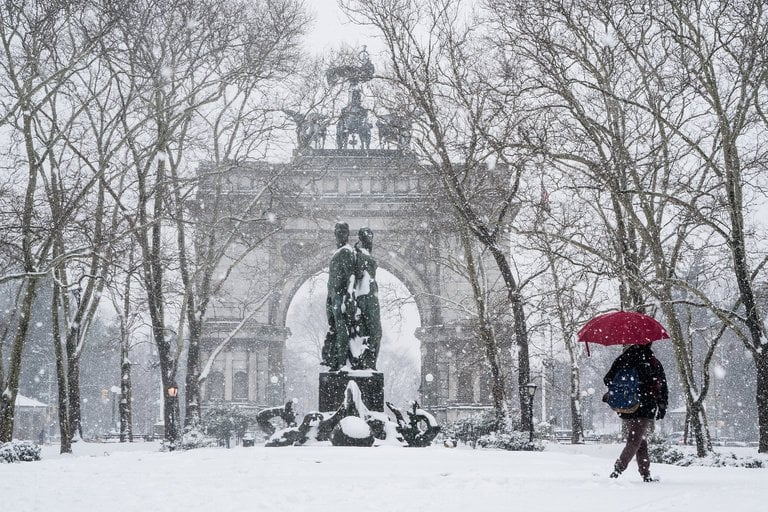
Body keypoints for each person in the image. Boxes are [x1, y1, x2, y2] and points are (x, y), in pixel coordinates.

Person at [604, 342, 668, 482]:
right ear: (649, 344)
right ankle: (618, 469)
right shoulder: (652, 361)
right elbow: (662, 384)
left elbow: (607, 379)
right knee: (635, 440)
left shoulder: (623, 358)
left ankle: (645, 474)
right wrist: (662, 404)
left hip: (626, 405)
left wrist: (622, 389)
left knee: (639, 439)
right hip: (645, 406)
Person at [321, 222, 356, 371]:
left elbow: (351, 276)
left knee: (342, 330)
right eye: (338, 231)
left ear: (348, 234)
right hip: (333, 297)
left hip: (341, 297)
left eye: (343, 231)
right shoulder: (338, 253)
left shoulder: (347, 252)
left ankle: (342, 362)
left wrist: (348, 297)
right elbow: (332, 280)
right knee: (335, 329)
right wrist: (329, 299)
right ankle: (335, 359)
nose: (340, 234)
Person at [352, 227, 381, 370]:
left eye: (371, 236)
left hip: (370, 296)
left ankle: (369, 362)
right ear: (362, 238)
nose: (370, 239)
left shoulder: (364, 253)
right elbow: (354, 276)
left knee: (374, 332)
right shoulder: (359, 254)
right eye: (367, 236)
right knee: (373, 331)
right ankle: (367, 362)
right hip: (365, 296)